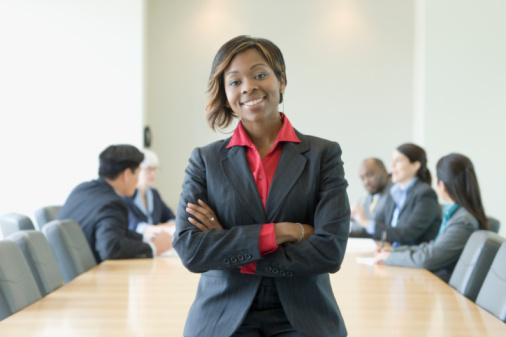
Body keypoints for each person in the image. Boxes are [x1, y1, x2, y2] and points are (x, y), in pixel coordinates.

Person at [172, 35, 350, 337]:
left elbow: (330, 252)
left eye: (259, 74)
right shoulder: (205, 160)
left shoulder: (324, 154)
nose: (248, 87)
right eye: (234, 81)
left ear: (281, 81)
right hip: (223, 314)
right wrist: (285, 231)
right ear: (225, 93)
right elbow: (191, 251)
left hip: (305, 314)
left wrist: (233, 249)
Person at [374, 153, 489, 282]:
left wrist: (389, 259)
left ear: (442, 185)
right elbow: (433, 247)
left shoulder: (463, 221)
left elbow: (428, 258)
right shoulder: (457, 214)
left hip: (442, 286)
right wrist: (395, 252)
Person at [56, 145, 172, 263]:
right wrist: (153, 248)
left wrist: (147, 238)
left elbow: (117, 233)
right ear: (127, 174)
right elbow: (111, 248)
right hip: (87, 277)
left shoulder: (82, 189)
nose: (137, 180)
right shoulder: (112, 203)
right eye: (137, 173)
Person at [352, 143, 441, 246]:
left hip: (408, 258)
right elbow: (381, 227)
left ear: (415, 165)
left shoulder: (426, 194)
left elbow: (407, 234)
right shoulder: (393, 193)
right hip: (389, 254)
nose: (392, 165)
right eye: (392, 160)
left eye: (398, 160)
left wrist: (365, 222)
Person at [122, 149, 176, 237]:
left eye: (155, 169)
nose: (153, 173)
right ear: (136, 170)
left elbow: (172, 219)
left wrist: (155, 228)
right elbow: (136, 227)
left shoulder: (154, 194)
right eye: (149, 169)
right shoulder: (125, 196)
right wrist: (162, 228)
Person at [350, 158, 392, 238]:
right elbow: (361, 223)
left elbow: (372, 225)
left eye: (370, 175)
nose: (366, 182)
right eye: (362, 178)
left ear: (384, 172)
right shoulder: (371, 195)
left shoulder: (394, 193)